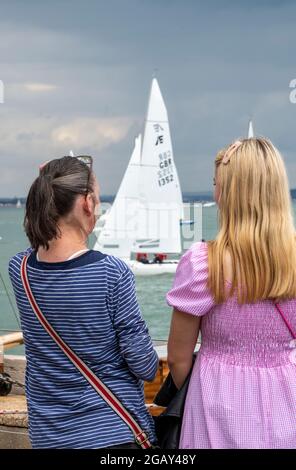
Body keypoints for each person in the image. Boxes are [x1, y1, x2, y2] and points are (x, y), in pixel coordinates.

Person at [8, 156, 158, 449]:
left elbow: (42, 251)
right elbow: (144, 366)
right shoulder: (111, 273)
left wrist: (49, 181)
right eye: (98, 200)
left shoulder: (20, 269)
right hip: (111, 434)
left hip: (48, 436)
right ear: (87, 203)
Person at [166, 138, 296, 449]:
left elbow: (178, 357)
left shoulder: (203, 264)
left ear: (230, 192)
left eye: (217, 184)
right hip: (287, 395)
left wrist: (201, 395)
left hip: (215, 400)